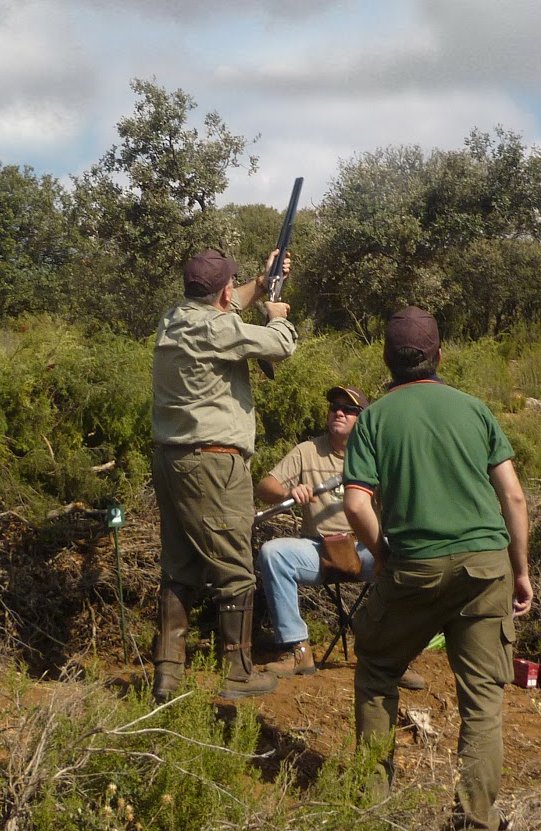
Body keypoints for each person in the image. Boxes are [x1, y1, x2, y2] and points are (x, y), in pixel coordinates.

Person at [343, 307, 532, 831]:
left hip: (414, 566)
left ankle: (374, 814)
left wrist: (384, 555)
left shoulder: (375, 418)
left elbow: (356, 503)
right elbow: (514, 498)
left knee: (377, 668)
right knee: (482, 702)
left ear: (386, 359)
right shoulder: (474, 410)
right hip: (486, 567)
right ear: (439, 355)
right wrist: (520, 571)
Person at [150, 246, 296, 701]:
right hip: (214, 463)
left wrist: (262, 277)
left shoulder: (174, 318)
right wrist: (277, 314)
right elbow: (281, 346)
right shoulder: (219, 328)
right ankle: (238, 670)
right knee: (234, 566)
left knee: (178, 568)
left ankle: (167, 674)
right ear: (223, 290)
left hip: (171, 460)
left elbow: (225, 307)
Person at [254, 386, 426, 691]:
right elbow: (264, 487)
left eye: (349, 409)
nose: (339, 413)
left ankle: (396, 657)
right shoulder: (307, 450)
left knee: (410, 555)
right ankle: (298, 651)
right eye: (334, 407)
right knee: (272, 553)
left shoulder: (376, 454)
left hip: (367, 550)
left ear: (363, 418)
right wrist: (288, 492)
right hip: (317, 549)